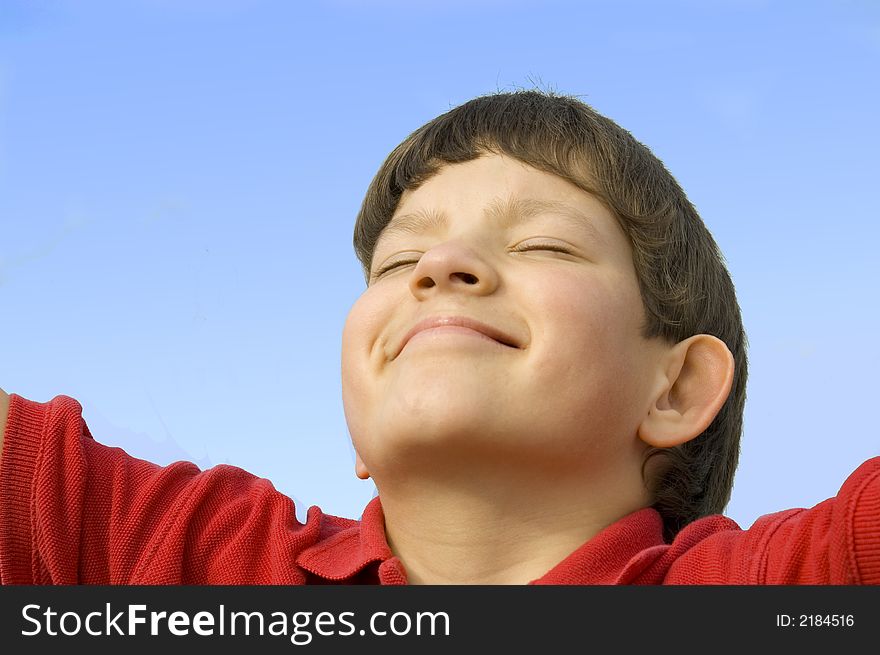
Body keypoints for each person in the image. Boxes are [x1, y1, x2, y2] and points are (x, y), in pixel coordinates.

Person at [0, 90, 877, 585]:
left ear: (676, 388)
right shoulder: (201, 562)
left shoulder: (781, 587)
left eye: (542, 243)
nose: (442, 265)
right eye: (398, 261)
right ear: (357, 430)